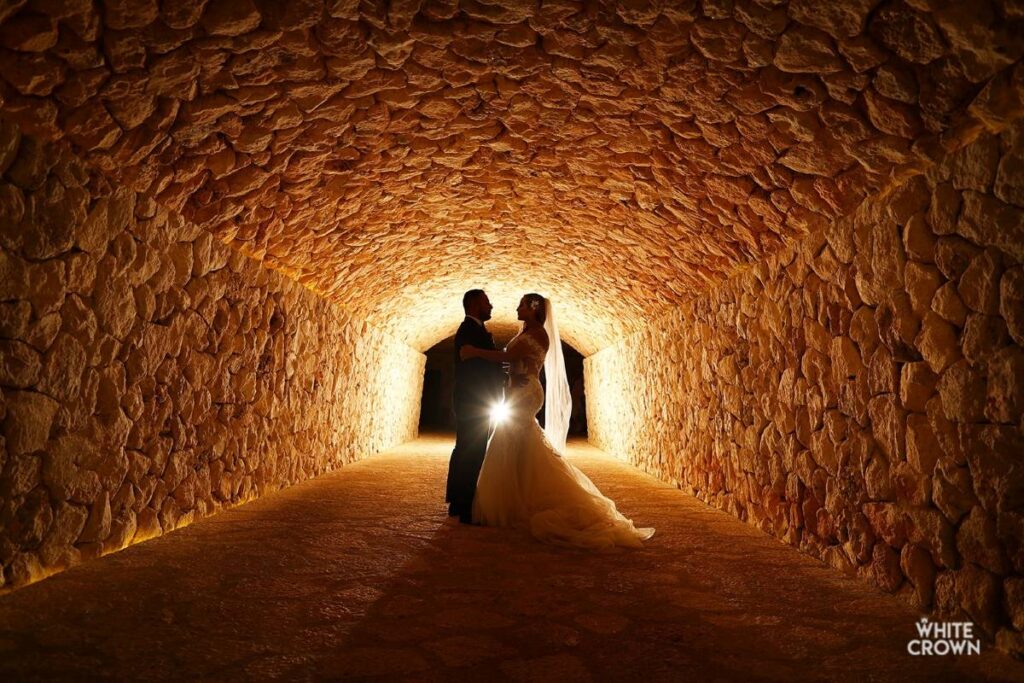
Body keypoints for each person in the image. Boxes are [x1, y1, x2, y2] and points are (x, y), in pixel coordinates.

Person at [460, 293, 655, 549]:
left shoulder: (538, 333)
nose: (516, 308)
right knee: (518, 440)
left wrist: (474, 352)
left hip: (526, 391)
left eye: (521, 305)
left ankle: (512, 501)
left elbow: (508, 358)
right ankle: (518, 494)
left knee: (511, 436)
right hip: (521, 388)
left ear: (532, 309)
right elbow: (515, 361)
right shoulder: (527, 331)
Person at [446, 289, 506, 524]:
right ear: (473, 304)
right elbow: (474, 365)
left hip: (475, 400)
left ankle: (457, 502)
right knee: (471, 451)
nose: (491, 306)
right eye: (486, 302)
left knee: (466, 450)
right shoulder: (468, 330)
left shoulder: (476, 329)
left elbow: (483, 363)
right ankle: (464, 508)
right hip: (473, 401)